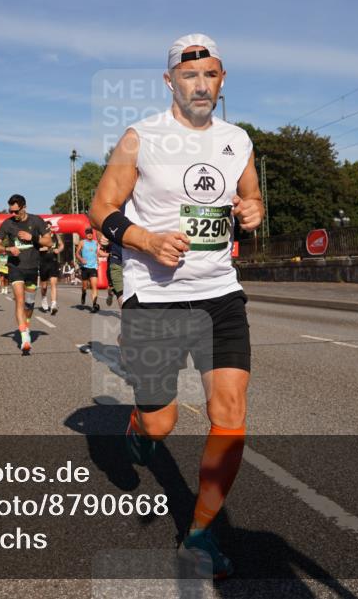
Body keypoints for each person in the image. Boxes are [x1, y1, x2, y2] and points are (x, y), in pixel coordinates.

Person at [89, 33, 264, 579]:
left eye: (210, 75)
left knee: (229, 414)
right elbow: (101, 209)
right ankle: (138, 433)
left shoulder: (239, 140)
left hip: (220, 295)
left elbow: (250, 195)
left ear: (222, 80)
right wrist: (144, 240)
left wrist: (253, 209)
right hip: (157, 297)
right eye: (189, 76)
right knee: (161, 420)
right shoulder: (140, 138)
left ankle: (200, 534)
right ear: (170, 81)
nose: (200, 85)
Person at [0, 194, 52, 353]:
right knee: (19, 300)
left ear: (24, 207)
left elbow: (49, 242)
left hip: (32, 267)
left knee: (30, 303)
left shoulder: (36, 221)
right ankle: (25, 336)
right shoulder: (7, 224)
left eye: (16, 211)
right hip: (15, 267)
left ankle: (26, 323)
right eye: (11, 211)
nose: (13, 215)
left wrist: (31, 237)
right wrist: (7, 249)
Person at [38, 227, 63, 315]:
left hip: (53, 262)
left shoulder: (56, 236)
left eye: (49, 228)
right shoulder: (40, 237)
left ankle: (53, 304)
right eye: (46, 228)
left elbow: (61, 245)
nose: (48, 230)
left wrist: (58, 250)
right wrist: (43, 249)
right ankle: (44, 298)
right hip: (43, 263)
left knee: (53, 284)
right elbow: (35, 248)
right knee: (44, 287)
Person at [76, 228, 100, 312]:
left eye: (90, 233)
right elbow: (77, 253)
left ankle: (94, 305)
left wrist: (98, 260)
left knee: (94, 287)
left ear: (92, 234)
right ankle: (83, 293)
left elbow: (97, 253)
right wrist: (81, 259)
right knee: (84, 287)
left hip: (93, 267)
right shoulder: (82, 242)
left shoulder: (96, 243)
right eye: (88, 233)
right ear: (86, 235)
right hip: (85, 268)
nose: (89, 235)